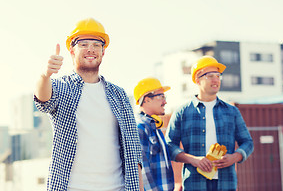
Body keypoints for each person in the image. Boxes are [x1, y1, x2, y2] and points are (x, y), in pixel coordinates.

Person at [34, 18, 144, 191]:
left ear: (103, 51)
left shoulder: (119, 95)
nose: (91, 49)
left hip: (118, 187)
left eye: (96, 44)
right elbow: (43, 100)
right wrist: (45, 75)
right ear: (71, 50)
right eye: (83, 44)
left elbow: (134, 150)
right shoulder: (61, 87)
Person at [165, 56, 254, 191]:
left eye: (218, 76)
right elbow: (170, 146)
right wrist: (193, 160)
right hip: (194, 183)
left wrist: (234, 157)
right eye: (210, 76)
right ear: (197, 80)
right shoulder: (182, 112)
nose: (216, 80)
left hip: (226, 183)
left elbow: (248, 142)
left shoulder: (232, 112)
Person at [134, 77, 175, 191]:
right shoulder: (140, 127)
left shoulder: (154, 126)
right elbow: (142, 171)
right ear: (147, 99)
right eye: (161, 97)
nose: (165, 101)